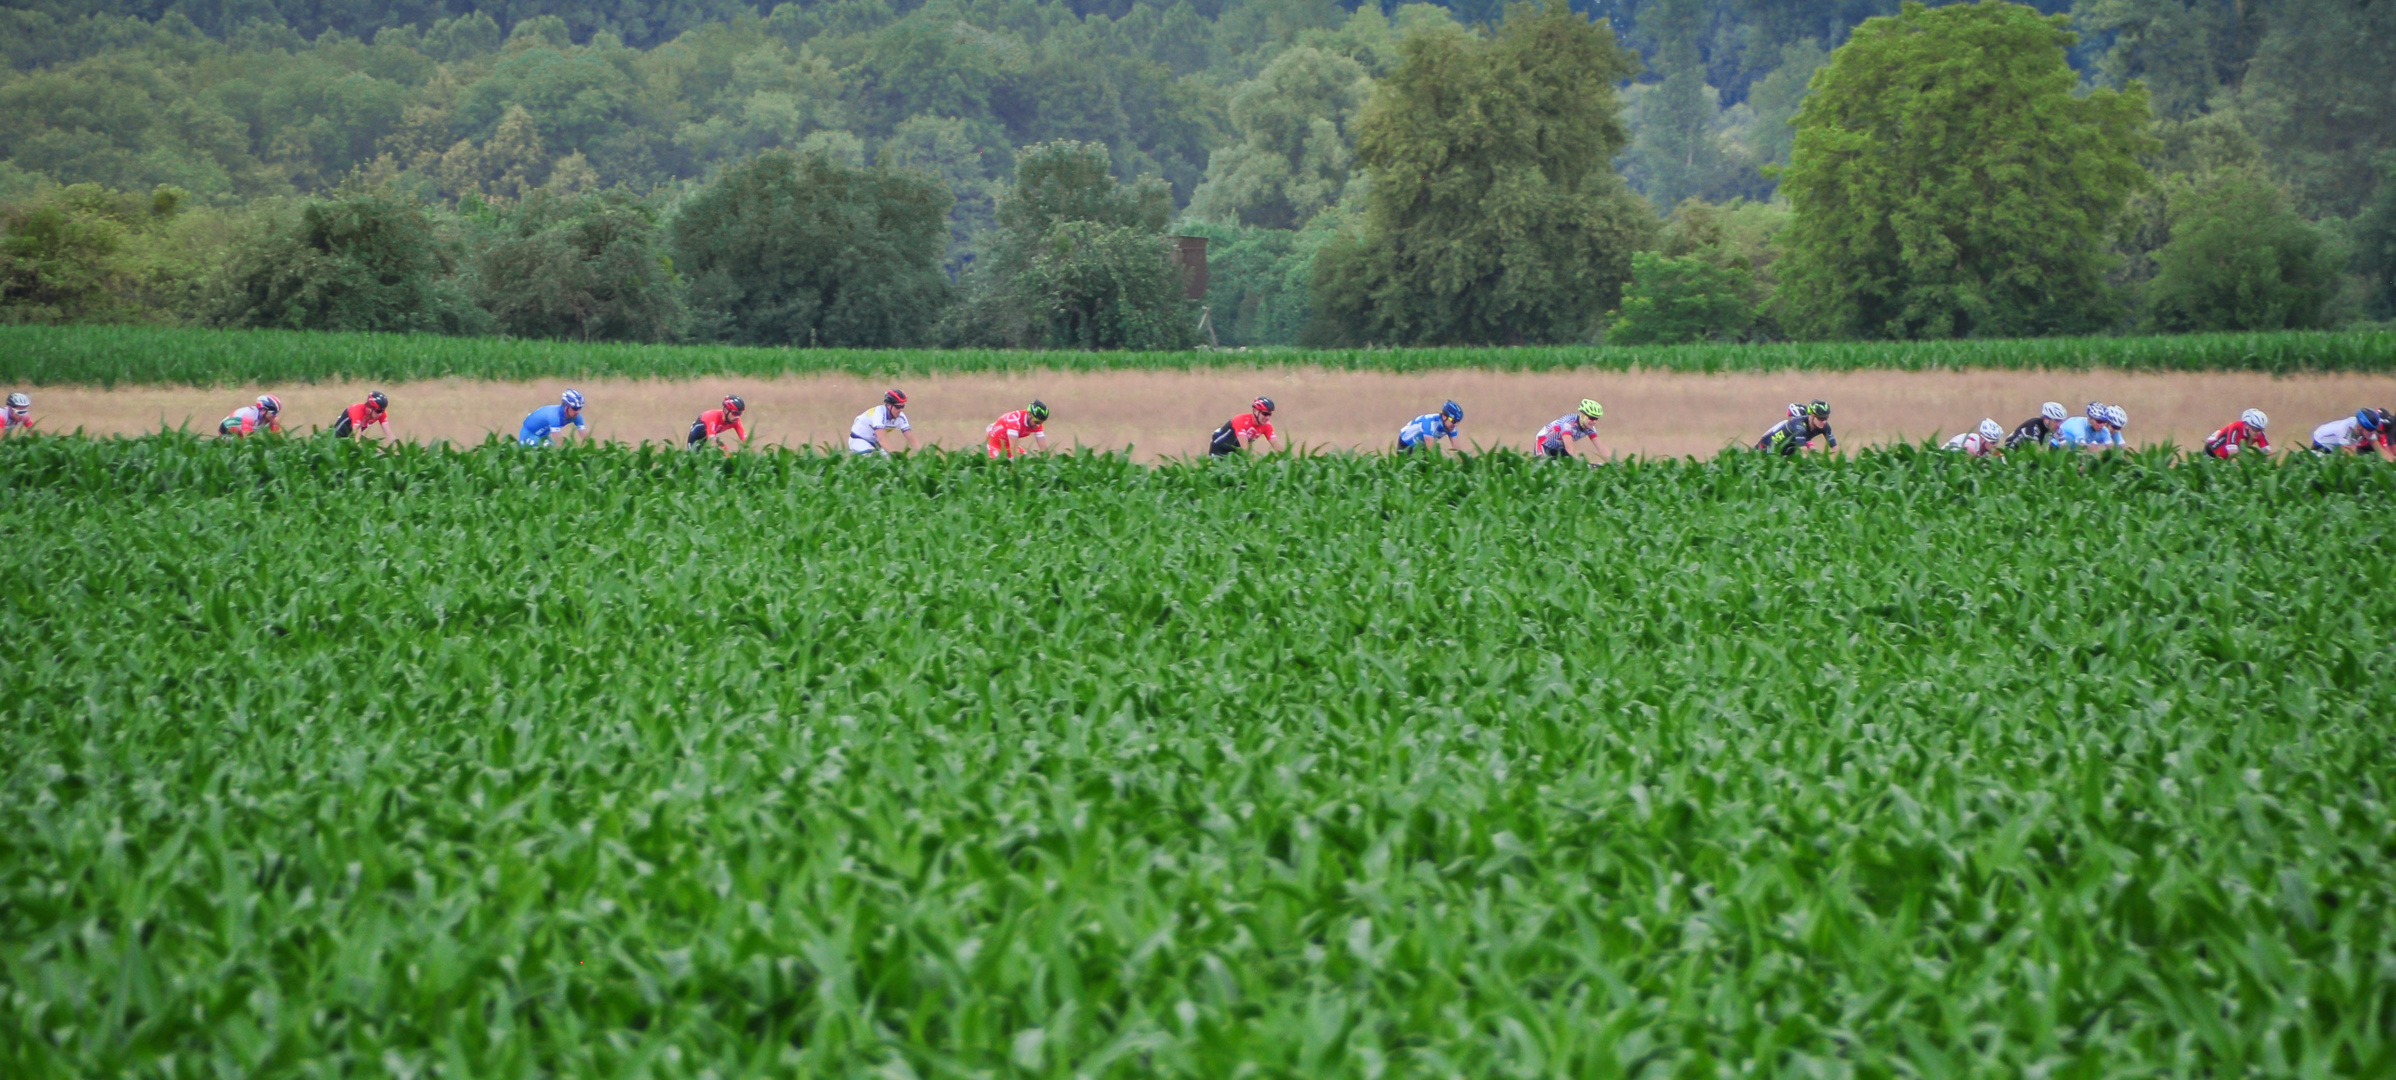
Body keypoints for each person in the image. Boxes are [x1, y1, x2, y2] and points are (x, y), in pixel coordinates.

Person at [1536, 399, 1611, 464]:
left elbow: (1601, 448)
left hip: (1559, 449)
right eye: (1591, 418)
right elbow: (1569, 449)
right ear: (1582, 415)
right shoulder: (1568, 423)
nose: (1594, 422)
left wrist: (1613, 463)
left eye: (1596, 419)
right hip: (1543, 445)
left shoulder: (1590, 428)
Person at [2309, 408, 2395, 459]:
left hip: (2336, 447)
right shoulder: (2345, 429)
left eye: (2374, 429)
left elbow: (2380, 451)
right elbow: (2348, 453)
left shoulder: (2368, 431)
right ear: (2360, 427)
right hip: (2321, 444)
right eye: (2370, 430)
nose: (2373, 433)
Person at [1757, 399, 1835, 456]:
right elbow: (1766, 436)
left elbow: (1809, 446)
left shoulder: (1803, 428)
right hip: (1767, 449)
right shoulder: (1790, 425)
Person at [1209, 397, 1282, 456]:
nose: (1267, 417)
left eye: (1270, 414)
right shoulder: (1241, 420)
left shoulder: (1267, 426)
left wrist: (1288, 460)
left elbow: (1276, 445)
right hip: (1219, 448)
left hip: (1235, 450)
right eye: (1265, 414)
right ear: (1255, 411)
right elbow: (1244, 447)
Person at [849, 389, 914, 454]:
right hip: (859, 440)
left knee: (887, 460)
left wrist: (922, 456)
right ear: (889, 405)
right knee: (872, 459)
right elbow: (882, 439)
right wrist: (894, 456)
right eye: (898, 407)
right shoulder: (879, 413)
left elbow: (911, 439)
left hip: (875, 443)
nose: (900, 410)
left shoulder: (901, 416)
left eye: (902, 406)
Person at [520, 389, 589, 446]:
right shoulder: (554, 416)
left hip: (543, 436)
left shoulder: (577, 417)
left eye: (579, 408)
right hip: (529, 434)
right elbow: (558, 441)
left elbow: (585, 438)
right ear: (566, 406)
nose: (577, 411)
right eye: (575, 408)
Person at [985, 400, 1051, 458]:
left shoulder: (1035, 423)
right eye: (1037, 422)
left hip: (1008, 446)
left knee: (1029, 462)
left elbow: (1044, 449)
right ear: (1029, 414)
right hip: (994, 446)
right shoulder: (1014, 420)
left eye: (1041, 422)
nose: (1038, 425)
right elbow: (1014, 451)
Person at [1398, 400, 1465, 454]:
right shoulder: (1430, 423)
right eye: (1453, 420)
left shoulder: (1451, 426)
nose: (1455, 424)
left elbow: (1458, 450)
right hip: (1406, 444)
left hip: (1421, 445)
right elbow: (1431, 452)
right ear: (1444, 416)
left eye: (1457, 422)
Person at [2202, 409, 2271, 459]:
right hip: (2211, 453)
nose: (2258, 433)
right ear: (2246, 425)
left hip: (2226, 458)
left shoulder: (2259, 433)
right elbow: (2233, 455)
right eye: (2255, 429)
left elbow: (2266, 452)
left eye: (2261, 430)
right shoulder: (2235, 428)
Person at [2053, 401, 2121, 450]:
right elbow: (2082, 445)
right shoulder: (2079, 425)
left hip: (2071, 449)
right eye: (2099, 421)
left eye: (2104, 422)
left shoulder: (2104, 431)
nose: (2102, 425)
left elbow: (2111, 449)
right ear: (2090, 419)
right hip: (2056, 446)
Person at [219, 394, 283, 437]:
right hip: (225, 430)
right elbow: (248, 440)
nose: (275, 415)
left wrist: (275, 425)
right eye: (273, 413)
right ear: (263, 411)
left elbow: (277, 440)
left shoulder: (270, 419)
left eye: (276, 413)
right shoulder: (249, 416)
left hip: (239, 432)